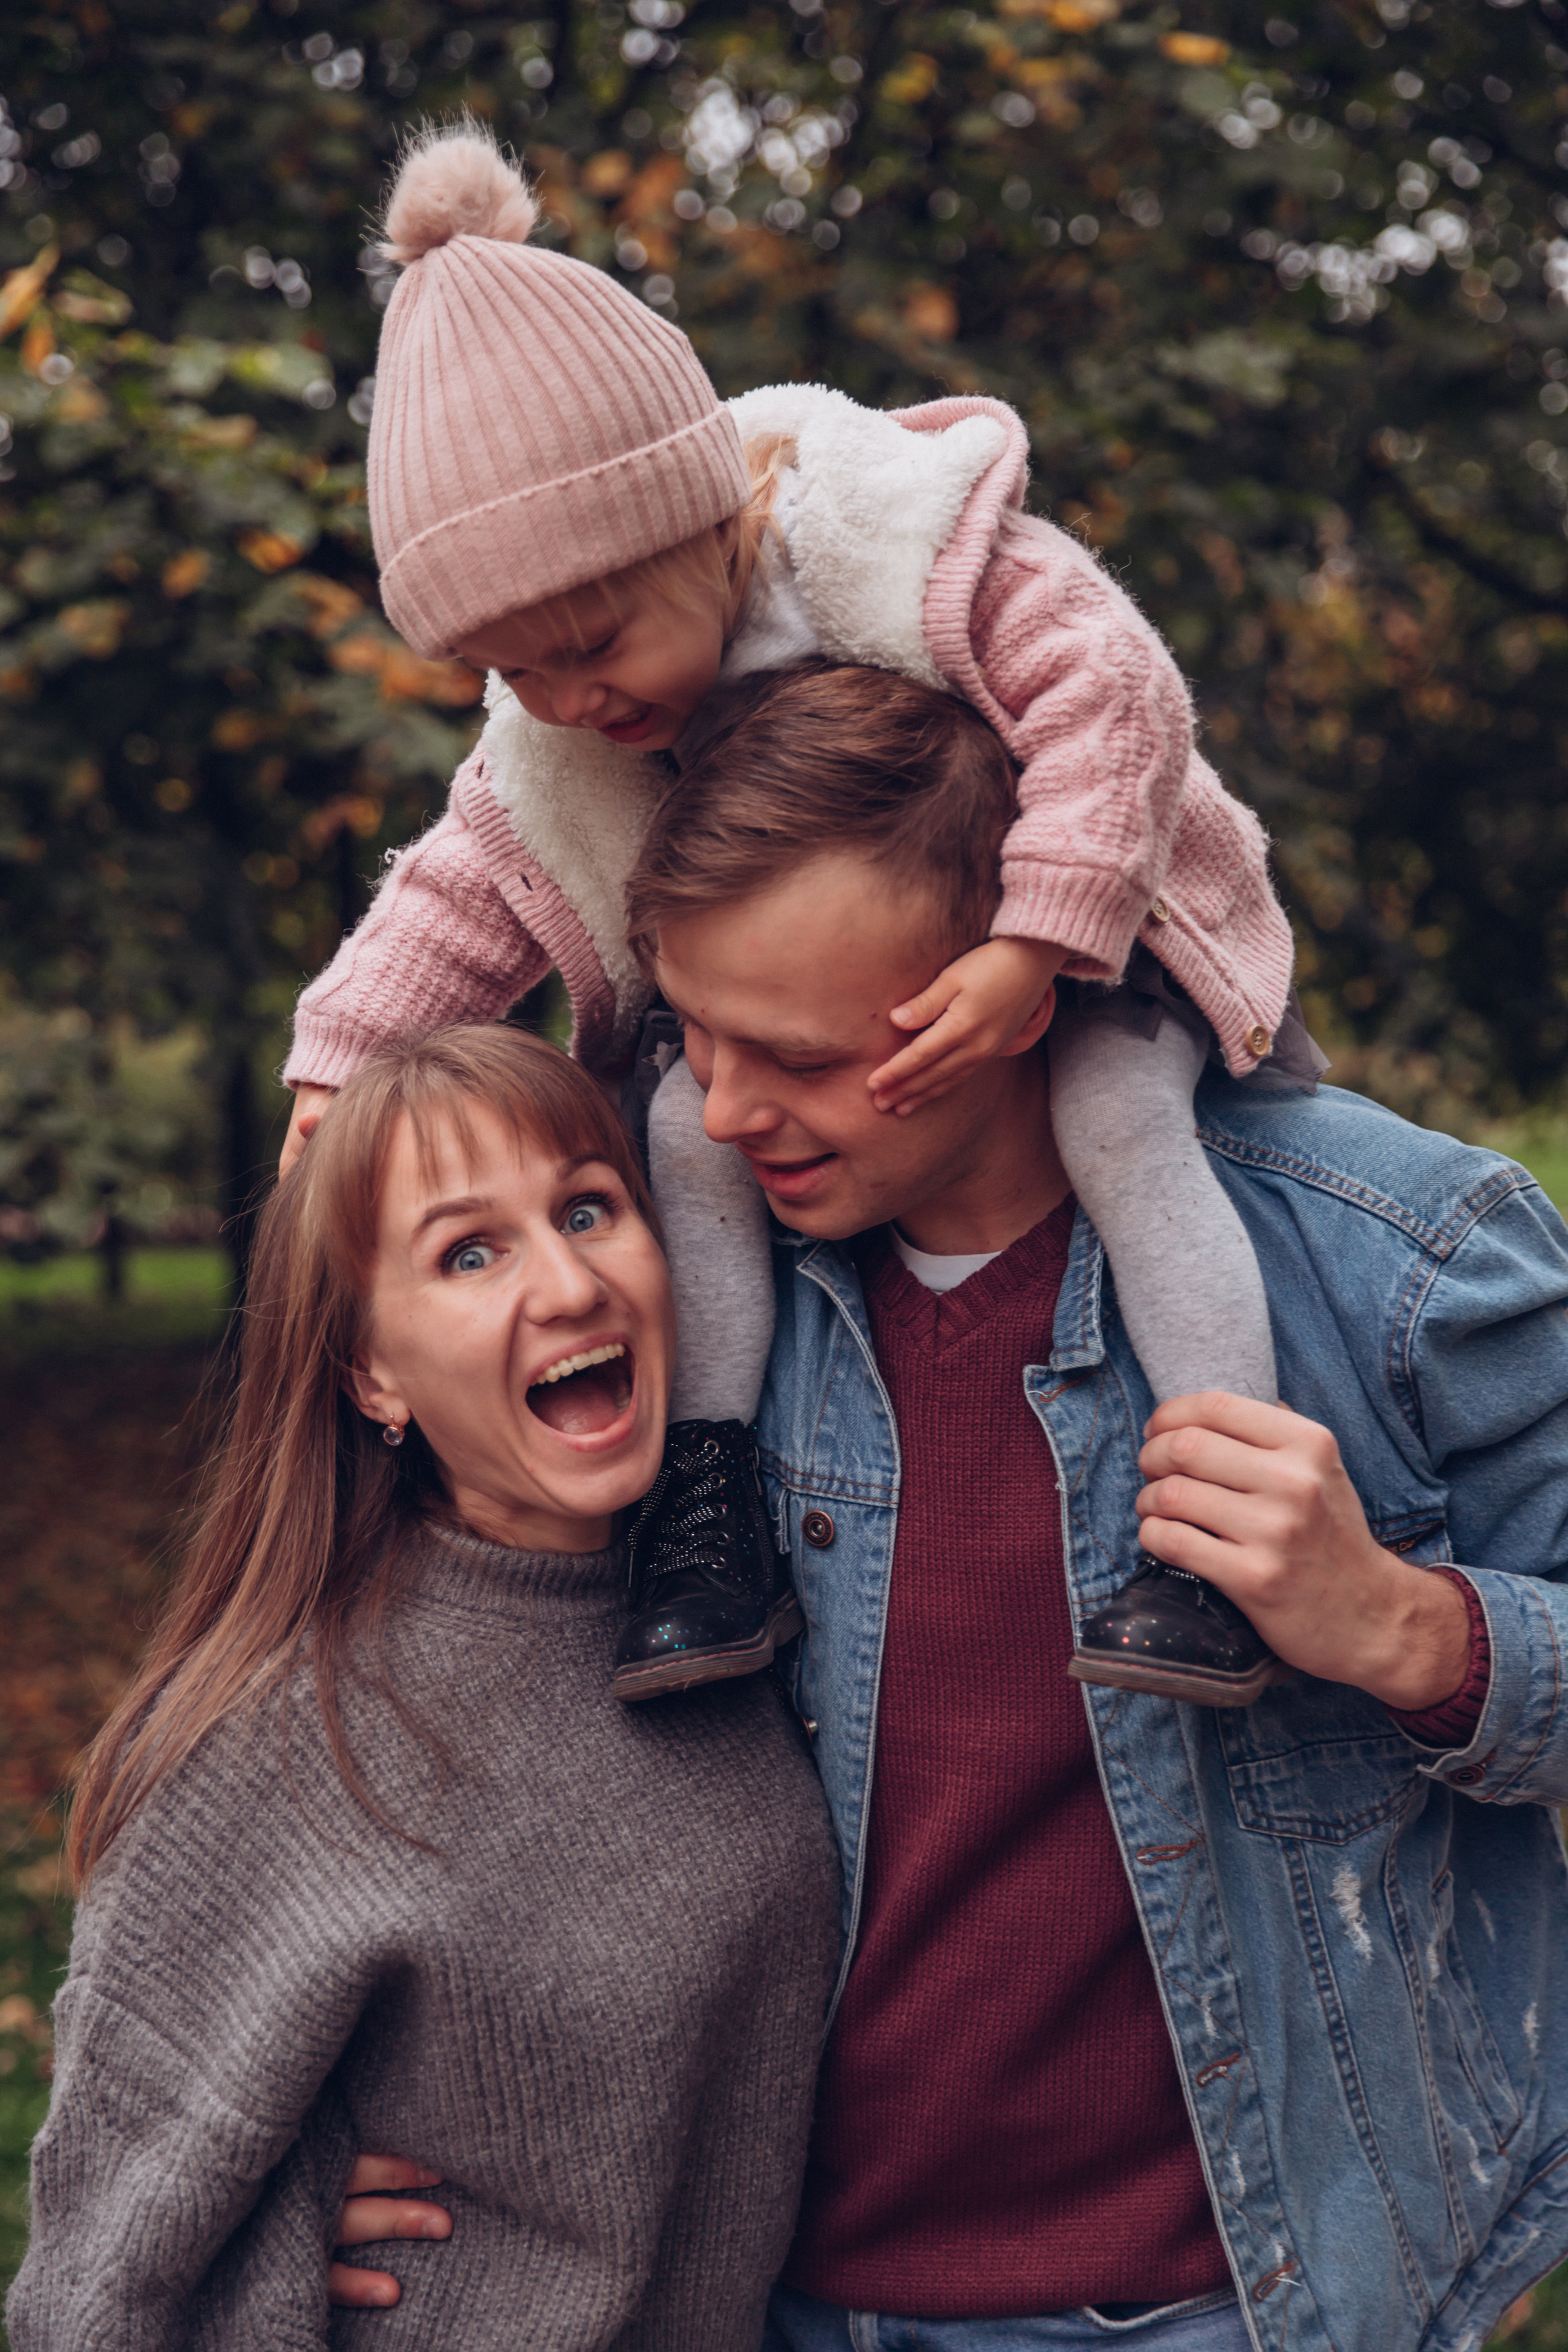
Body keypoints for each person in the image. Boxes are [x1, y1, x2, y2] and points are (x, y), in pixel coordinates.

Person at [279, 119, 1306, 1708]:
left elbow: (1114, 692)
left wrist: (1039, 936)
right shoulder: (570, 723)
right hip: (829, 1011)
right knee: (687, 1131)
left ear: (702, 521)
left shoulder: (884, 547)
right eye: (516, 671)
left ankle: (1217, 1526)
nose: (569, 695)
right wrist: (339, 1062)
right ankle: (710, 1510)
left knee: (1115, 1122)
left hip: (1114, 939)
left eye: (595, 638)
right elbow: (472, 873)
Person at [7, 1025, 840, 2351]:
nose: (566, 1283)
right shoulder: (288, 1746)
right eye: (469, 1252)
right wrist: (281, 2231)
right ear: (370, 1370)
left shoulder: (762, 1598)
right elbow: (96, 2287)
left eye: (586, 1208)